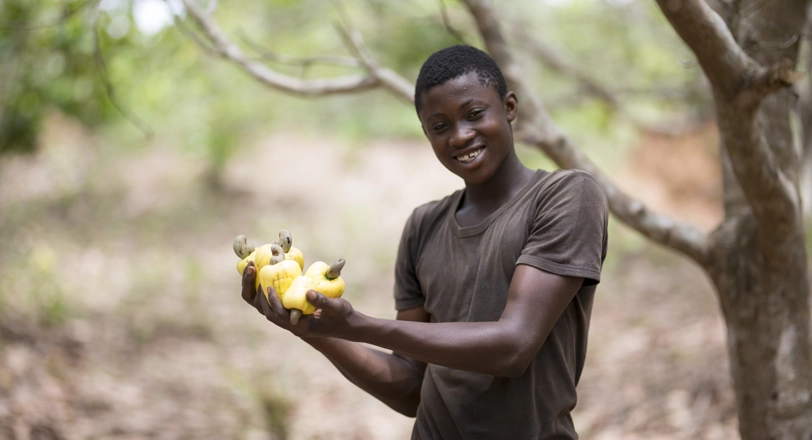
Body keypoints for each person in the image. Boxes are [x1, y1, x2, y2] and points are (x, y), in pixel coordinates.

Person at [241, 44, 609, 439]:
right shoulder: (424, 226)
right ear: (426, 134)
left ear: (510, 107)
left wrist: (358, 324)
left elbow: (513, 346)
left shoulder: (567, 195)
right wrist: (317, 331)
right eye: (440, 126)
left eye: (474, 114)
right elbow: (410, 388)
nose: (461, 136)